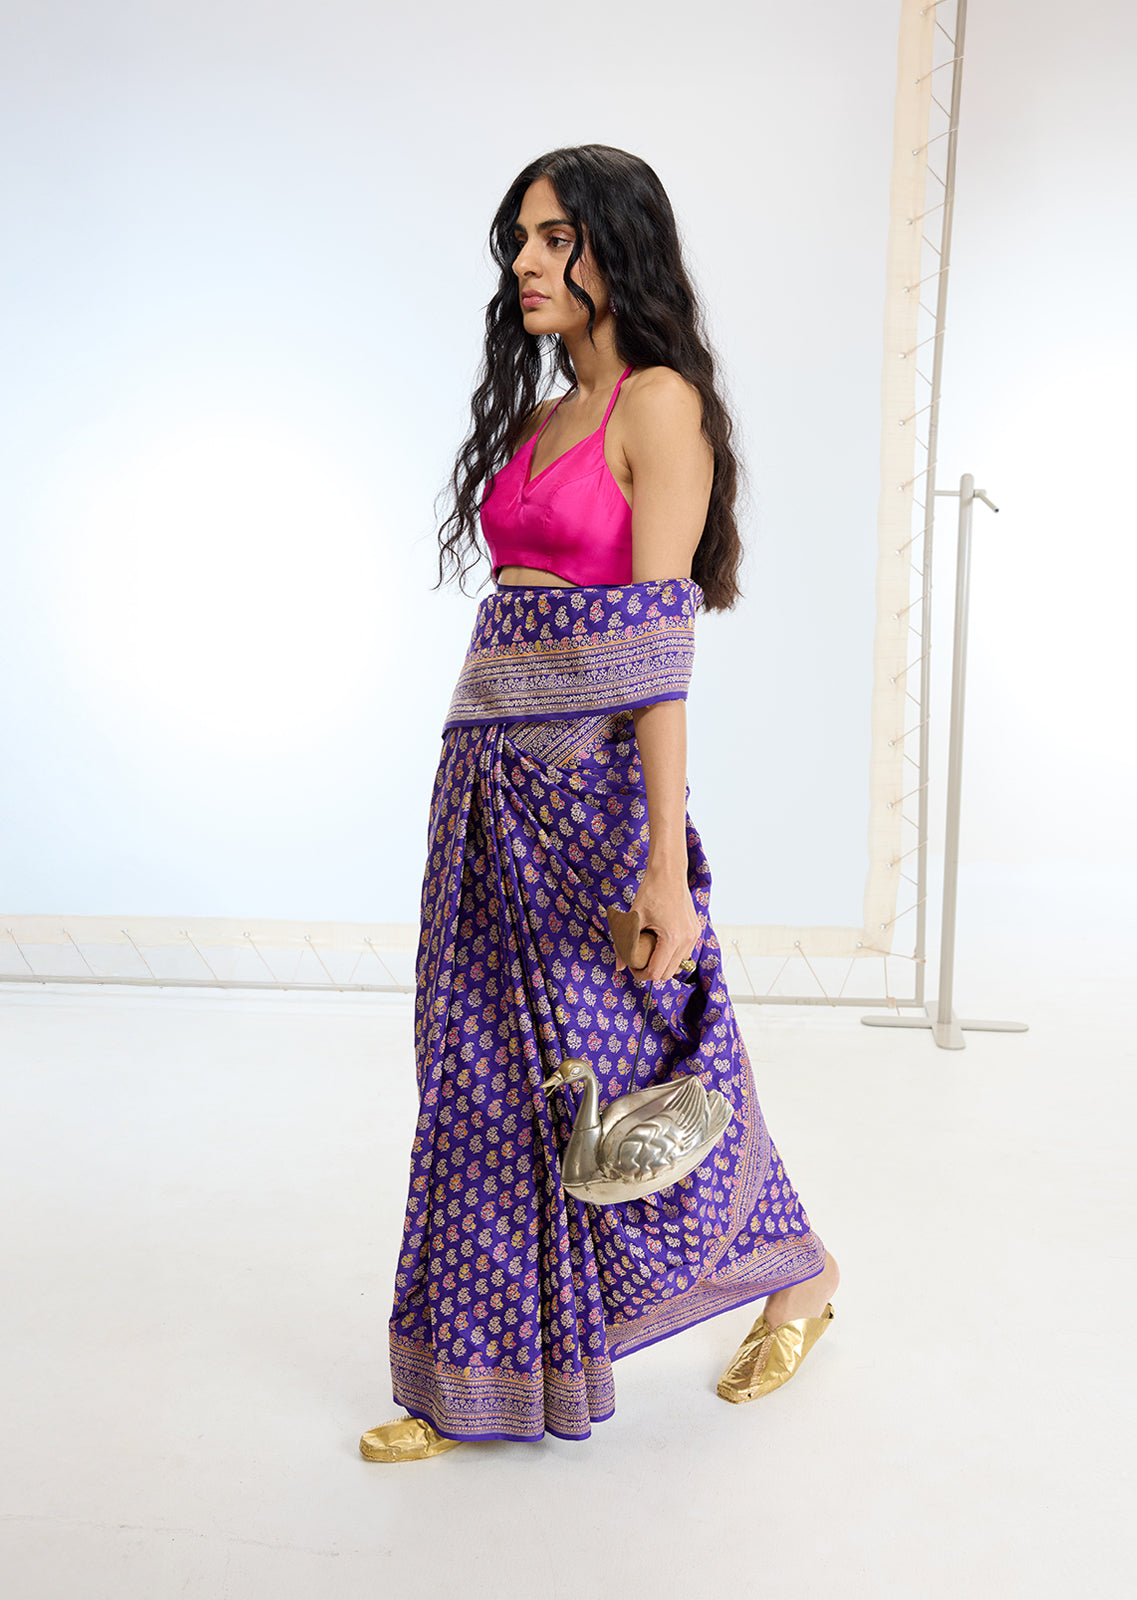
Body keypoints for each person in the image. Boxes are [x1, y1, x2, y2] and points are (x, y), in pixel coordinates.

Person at [360, 144, 839, 1462]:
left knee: (626, 1065)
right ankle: (475, 1376)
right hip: (487, 797)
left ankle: (797, 1270)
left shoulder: (657, 404)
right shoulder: (540, 418)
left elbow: (658, 650)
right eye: (519, 238)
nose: (525, 261)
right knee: (480, 1076)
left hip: (591, 799)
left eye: (555, 237)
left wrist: (666, 868)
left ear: (618, 248)